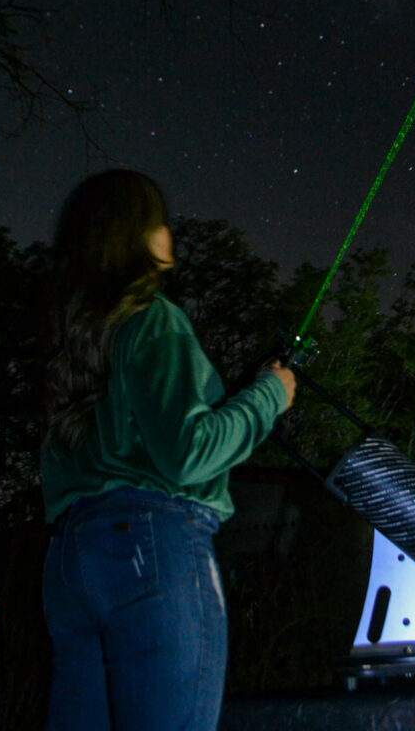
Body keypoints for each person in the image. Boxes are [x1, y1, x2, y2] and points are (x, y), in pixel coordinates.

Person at [41, 169, 295, 731]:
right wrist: (269, 395)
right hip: (155, 546)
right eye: (159, 220)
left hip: (70, 562)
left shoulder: (74, 341)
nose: (169, 231)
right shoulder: (153, 320)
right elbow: (189, 453)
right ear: (136, 234)